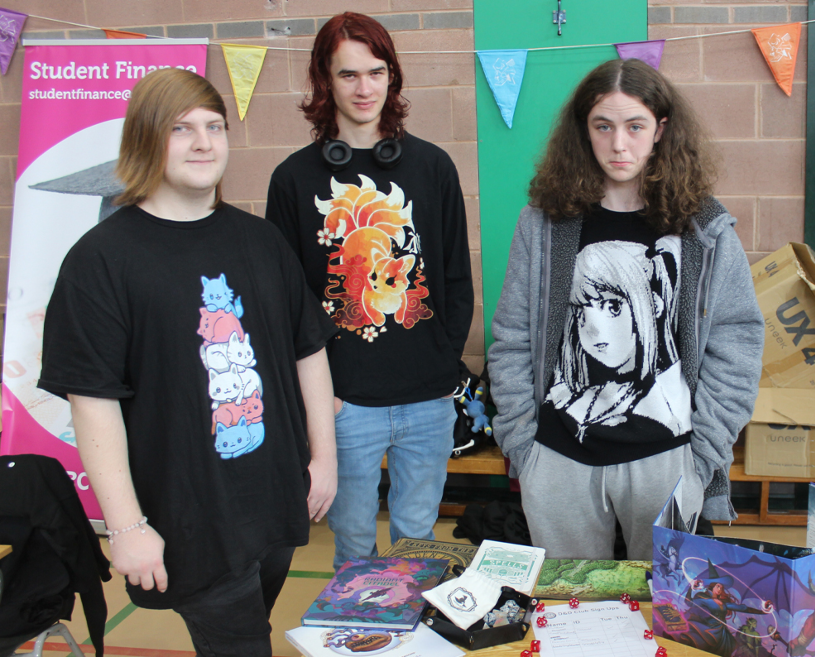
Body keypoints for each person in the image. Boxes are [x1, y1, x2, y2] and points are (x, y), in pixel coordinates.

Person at [37, 68, 338, 656]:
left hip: (276, 500)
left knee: (248, 629)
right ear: (145, 140)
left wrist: (323, 459)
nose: (204, 142)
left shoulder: (261, 241)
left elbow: (310, 352)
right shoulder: (101, 260)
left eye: (214, 126)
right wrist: (125, 527)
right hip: (188, 518)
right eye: (181, 129)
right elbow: (92, 402)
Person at [488, 58, 764, 560]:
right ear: (584, 132)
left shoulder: (702, 228)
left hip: (667, 460)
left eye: (635, 126)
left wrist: (701, 457)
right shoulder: (544, 224)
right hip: (558, 458)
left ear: (660, 130)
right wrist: (523, 446)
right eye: (603, 126)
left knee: (663, 615)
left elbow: (737, 342)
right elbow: (510, 337)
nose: (619, 144)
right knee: (569, 613)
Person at [265, 12, 473, 569]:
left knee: (417, 544)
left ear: (392, 77)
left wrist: (443, 362)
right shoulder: (292, 179)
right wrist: (317, 395)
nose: (365, 88)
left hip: (428, 397)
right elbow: (286, 303)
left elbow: (454, 276)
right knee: (354, 550)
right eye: (349, 75)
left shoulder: (433, 166)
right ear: (324, 81)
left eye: (376, 72)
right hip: (342, 403)